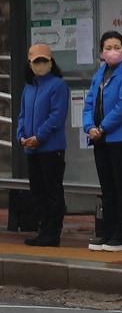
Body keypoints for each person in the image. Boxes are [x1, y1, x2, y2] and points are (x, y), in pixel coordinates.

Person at [82, 31, 122, 252]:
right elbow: (89, 102)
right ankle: (107, 232)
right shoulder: (100, 74)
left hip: (121, 139)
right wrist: (89, 126)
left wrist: (102, 127)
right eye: (108, 47)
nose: (112, 51)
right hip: (101, 140)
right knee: (107, 187)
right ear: (101, 52)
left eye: (117, 47)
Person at [17, 43, 69, 247]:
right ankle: (43, 230)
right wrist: (21, 135)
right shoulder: (28, 87)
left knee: (52, 191)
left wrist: (39, 136)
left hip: (51, 148)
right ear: (29, 63)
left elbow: (56, 116)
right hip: (32, 148)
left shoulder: (58, 85)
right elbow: (22, 114)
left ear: (51, 62)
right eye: (36, 61)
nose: (40, 65)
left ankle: (52, 232)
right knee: (37, 190)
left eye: (43, 61)